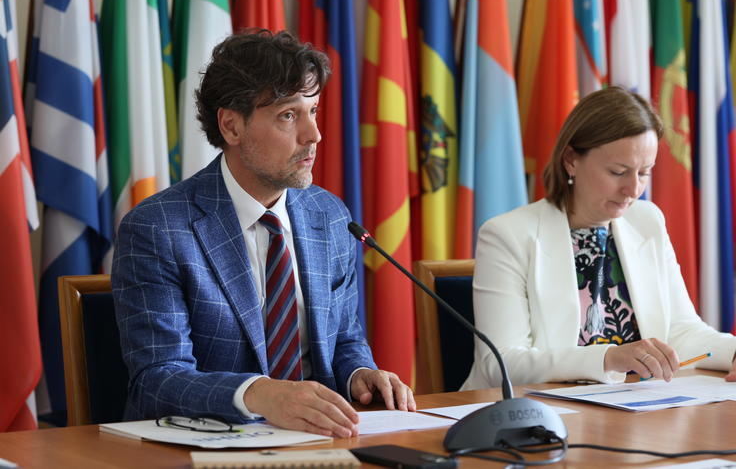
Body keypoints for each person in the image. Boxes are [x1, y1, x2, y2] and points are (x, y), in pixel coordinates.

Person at [112, 30, 415, 438]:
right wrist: (259, 394)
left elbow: (344, 340)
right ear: (231, 126)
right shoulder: (159, 227)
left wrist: (359, 374)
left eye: (313, 110)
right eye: (288, 115)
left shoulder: (329, 217)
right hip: (208, 444)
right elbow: (158, 378)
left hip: (318, 442)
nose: (313, 135)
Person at [462, 86, 736, 389]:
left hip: (631, 406)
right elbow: (501, 362)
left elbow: (682, 332)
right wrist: (608, 357)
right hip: (535, 410)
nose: (633, 189)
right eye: (618, 172)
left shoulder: (647, 221)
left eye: (644, 172)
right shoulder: (508, 235)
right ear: (571, 160)